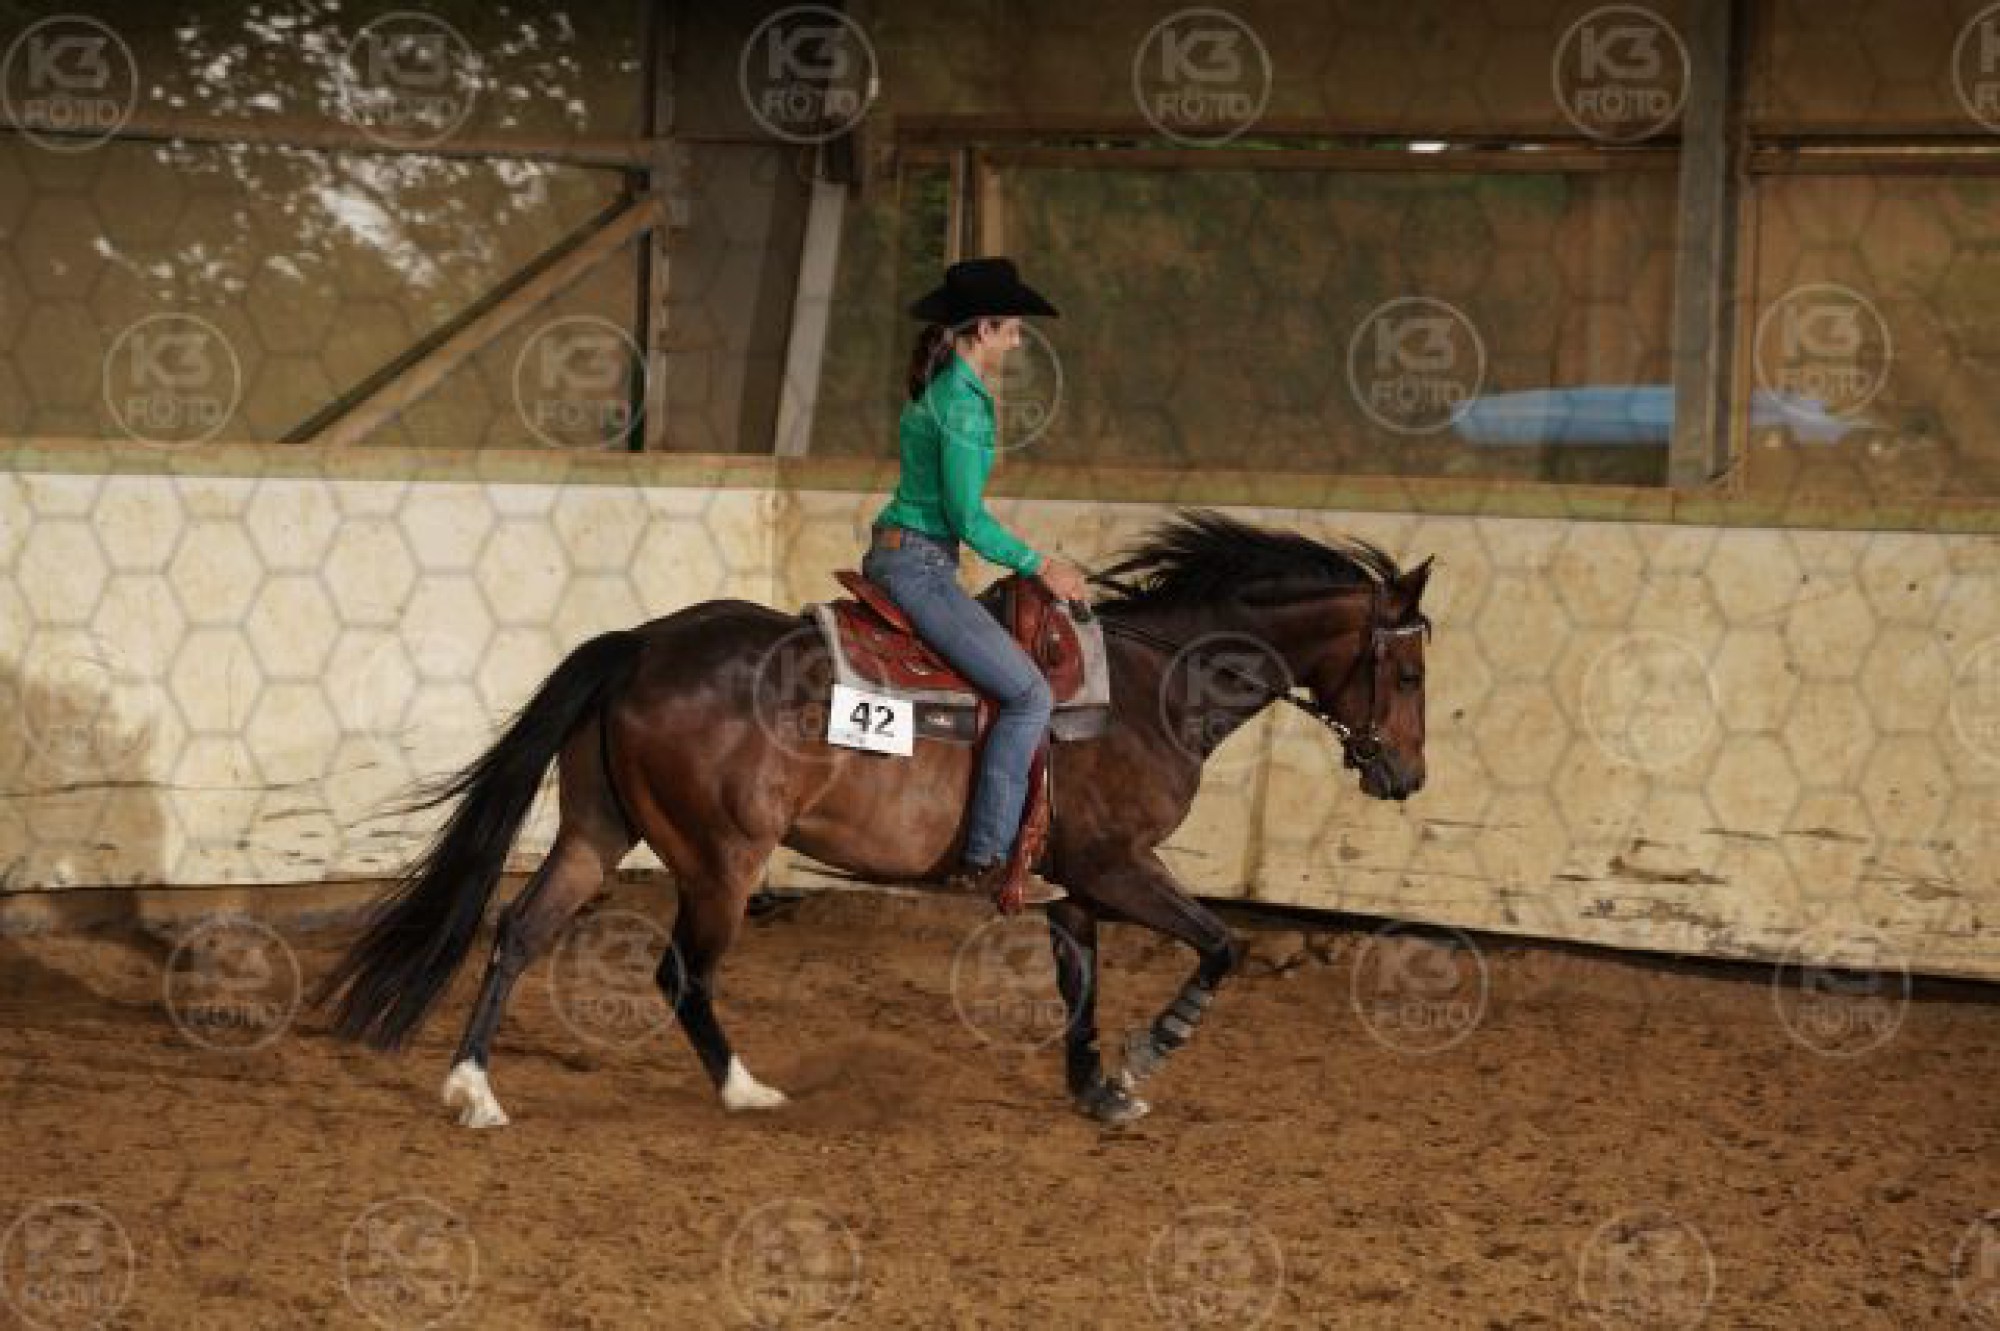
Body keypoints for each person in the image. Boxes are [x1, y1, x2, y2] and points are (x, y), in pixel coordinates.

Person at [861, 257, 1092, 907]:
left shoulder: (942, 390)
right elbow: (967, 518)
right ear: (984, 329)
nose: (1016, 343)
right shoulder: (961, 406)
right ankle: (987, 858)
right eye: (1012, 329)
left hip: (906, 555)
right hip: (920, 566)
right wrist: (1041, 564)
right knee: (1029, 696)